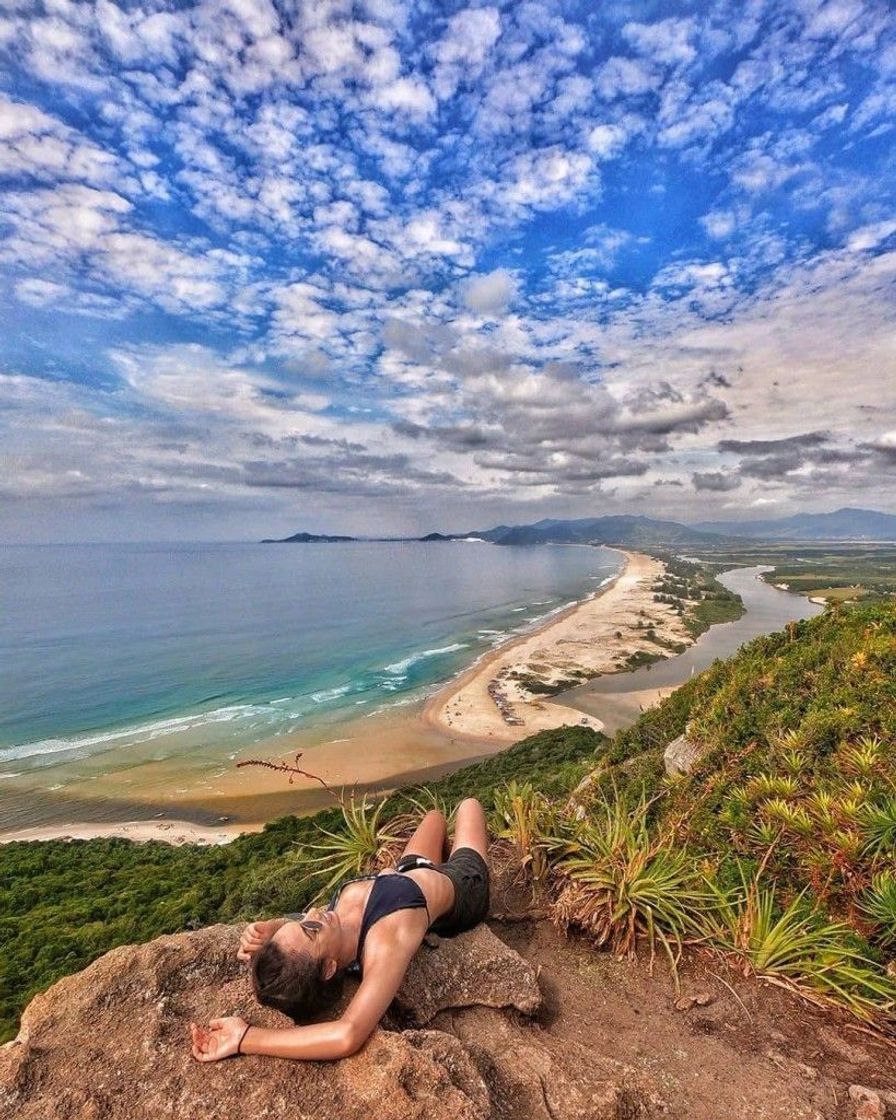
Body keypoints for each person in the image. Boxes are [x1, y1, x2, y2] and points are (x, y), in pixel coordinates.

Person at [190, 797, 490, 1062]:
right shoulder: (387, 939)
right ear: (329, 969)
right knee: (468, 805)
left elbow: (304, 930)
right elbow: (346, 1034)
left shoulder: (329, 934)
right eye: (311, 929)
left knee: (435, 817)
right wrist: (246, 1038)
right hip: (462, 884)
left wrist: (276, 928)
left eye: (301, 922)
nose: (315, 913)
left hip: (406, 872)